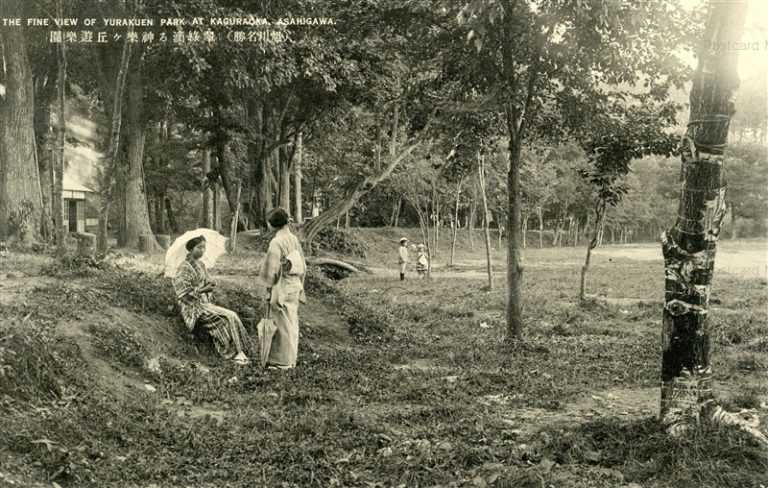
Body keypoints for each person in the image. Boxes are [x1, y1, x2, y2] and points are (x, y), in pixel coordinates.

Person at [173, 235, 252, 365]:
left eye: (204, 247)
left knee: (232, 315)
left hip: (205, 304)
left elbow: (207, 281)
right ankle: (231, 353)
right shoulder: (184, 268)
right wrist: (202, 290)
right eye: (199, 247)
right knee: (225, 318)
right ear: (191, 249)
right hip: (193, 308)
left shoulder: (201, 265)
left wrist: (210, 284)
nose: (202, 250)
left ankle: (242, 350)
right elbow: (183, 294)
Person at [258, 208, 306, 369]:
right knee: (291, 322)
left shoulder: (276, 242)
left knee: (281, 324)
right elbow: (303, 265)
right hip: (294, 284)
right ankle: (291, 360)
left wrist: (268, 289)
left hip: (282, 286)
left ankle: (281, 362)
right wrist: (301, 285)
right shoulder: (293, 239)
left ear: (272, 224)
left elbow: (271, 269)